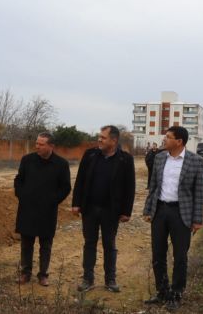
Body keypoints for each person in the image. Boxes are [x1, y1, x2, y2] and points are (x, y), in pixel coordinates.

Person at [142, 126, 203, 311]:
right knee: (158, 255)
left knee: (180, 257)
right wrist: (149, 209)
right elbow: (153, 186)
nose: (164, 139)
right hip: (160, 211)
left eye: (168, 137)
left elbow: (199, 193)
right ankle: (162, 292)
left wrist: (197, 219)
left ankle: (176, 294)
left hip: (182, 214)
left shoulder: (196, 161)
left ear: (179, 141)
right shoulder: (160, 157)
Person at [72, 125, 135, 293]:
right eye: (99, 136)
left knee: (109, 244)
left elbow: (130, 187)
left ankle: (110, 280)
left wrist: (126, 211)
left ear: (114, 140)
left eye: (103, 137)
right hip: (90, 209)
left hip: (111, 211)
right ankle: (88, 279)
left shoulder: (125, 159)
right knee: (89, 243)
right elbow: (80, 181)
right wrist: (76, 203)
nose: (99, 140)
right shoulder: (90, 155)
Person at [14, 132, 71, 286]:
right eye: (36, 143)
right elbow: (18, 180)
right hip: (27, 209)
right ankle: (25, 273)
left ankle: (43, 275)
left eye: (41, 144)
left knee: (45, 245)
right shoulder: (27, 160)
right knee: (26, 243)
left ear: (51, 146)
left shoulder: (61, 164)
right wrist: (22, 196)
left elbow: (66, 187)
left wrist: (52, 201)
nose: (37, 146)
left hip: (47, 211)